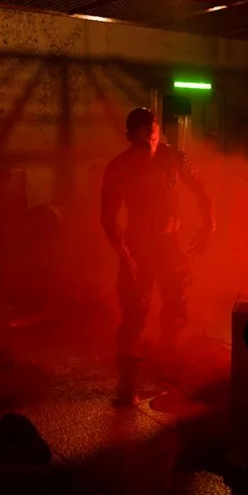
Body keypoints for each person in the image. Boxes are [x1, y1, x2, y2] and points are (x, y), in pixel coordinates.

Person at [100, 107, 215, 405]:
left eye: (152, 130)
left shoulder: (174, 157)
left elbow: (201, 190)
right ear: (130, 136)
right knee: (134, 313)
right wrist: (124, 255)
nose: (150, 137)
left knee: (177, 306)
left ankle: (169, 371)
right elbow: (108, 218)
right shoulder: (120, 168)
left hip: (170, 246)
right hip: (139, 248)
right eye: (143, 132)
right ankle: (128, 384)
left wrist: (209, 226)